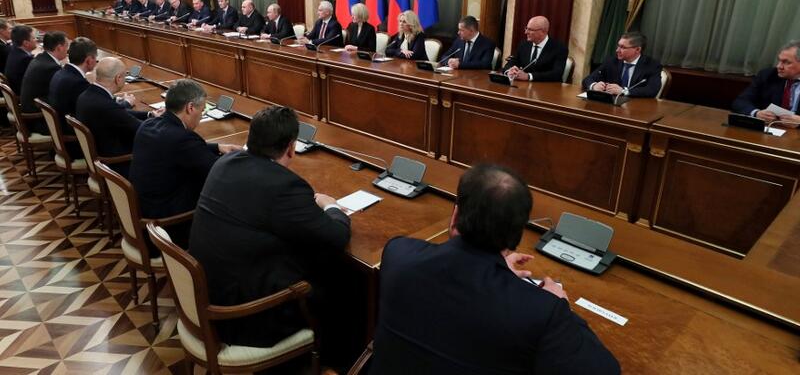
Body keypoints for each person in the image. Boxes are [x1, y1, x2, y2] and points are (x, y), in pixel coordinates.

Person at [371, 163, 620, 375]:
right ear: (516, 237)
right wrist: (562, 307)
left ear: (456, 215)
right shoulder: (542, 313)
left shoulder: (398, 254)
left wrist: (498, 273)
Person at [189, 106, 350, 348]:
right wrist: (332, 207)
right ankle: (338, 357)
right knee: (342, 280)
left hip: (208, 291)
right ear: (291, 147)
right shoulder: (283, 186)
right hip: (243, 316)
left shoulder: (226, 162)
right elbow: (337, 235)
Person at [130, 80, 241, 244]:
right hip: (167, 226)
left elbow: (181, 148)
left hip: (145, 210)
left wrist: (218, 147)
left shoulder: (149, 124)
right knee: (226, 194)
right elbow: (216, 172)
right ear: (190, 108)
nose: (201, 115)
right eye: (202, 110)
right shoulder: (182, 139)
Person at [75, 57, 162, 176]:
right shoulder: (106, 106)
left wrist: (149, 114)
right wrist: (162, 120)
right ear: (118, 78)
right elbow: (142, 129)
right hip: (117, 164)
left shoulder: (87, 95)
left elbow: (121, 113)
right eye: (125, 76)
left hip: (101, 154)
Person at [732, 40, 800, 125]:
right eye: (779, 61)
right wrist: (756, 113)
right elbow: (740, 102)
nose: (779, 66)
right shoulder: (768, 75)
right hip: (770, 129)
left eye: (786, 62)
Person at [582, 32, 662, 98]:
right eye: (618, 46)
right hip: (610, 106)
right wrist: (594, 85)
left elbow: (652, 90)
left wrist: (624, 91)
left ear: (637, 49)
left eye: (623, 47)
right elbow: (588, 79)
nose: (617, 50)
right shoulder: (611, 61)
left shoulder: (652, 65)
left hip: (636, 108)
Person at [20, 31, 69, 134]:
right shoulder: (51, 67)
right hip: (39, 120)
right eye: (66, 46)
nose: (67, 50)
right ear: (59, 47)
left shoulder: (41, 58)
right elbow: (60, 95)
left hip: (31, 113)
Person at [48, 37, 97, 135]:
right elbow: (93, 110)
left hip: (60, 127)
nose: (96, 61)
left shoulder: (60, 73)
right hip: (72, 133)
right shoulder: (78, 82)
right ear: (88, 60)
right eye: (95, 58)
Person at [503, 16, 568, 81]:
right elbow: (511, 63)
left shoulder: (559, 48)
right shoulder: (523, 45)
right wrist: (509, 71)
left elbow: (556, 74)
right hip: (523, 87)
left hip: (547, 88)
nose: (526, 32)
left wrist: (529, 76)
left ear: (543, 31)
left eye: (530, 30)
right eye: (526, 28)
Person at [4, 25, 37, 94]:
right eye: (34, 38)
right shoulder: (25, 59)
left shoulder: (14, 50)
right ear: (26, 43)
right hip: (22, 94)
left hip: (16, 88)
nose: (36, 40)